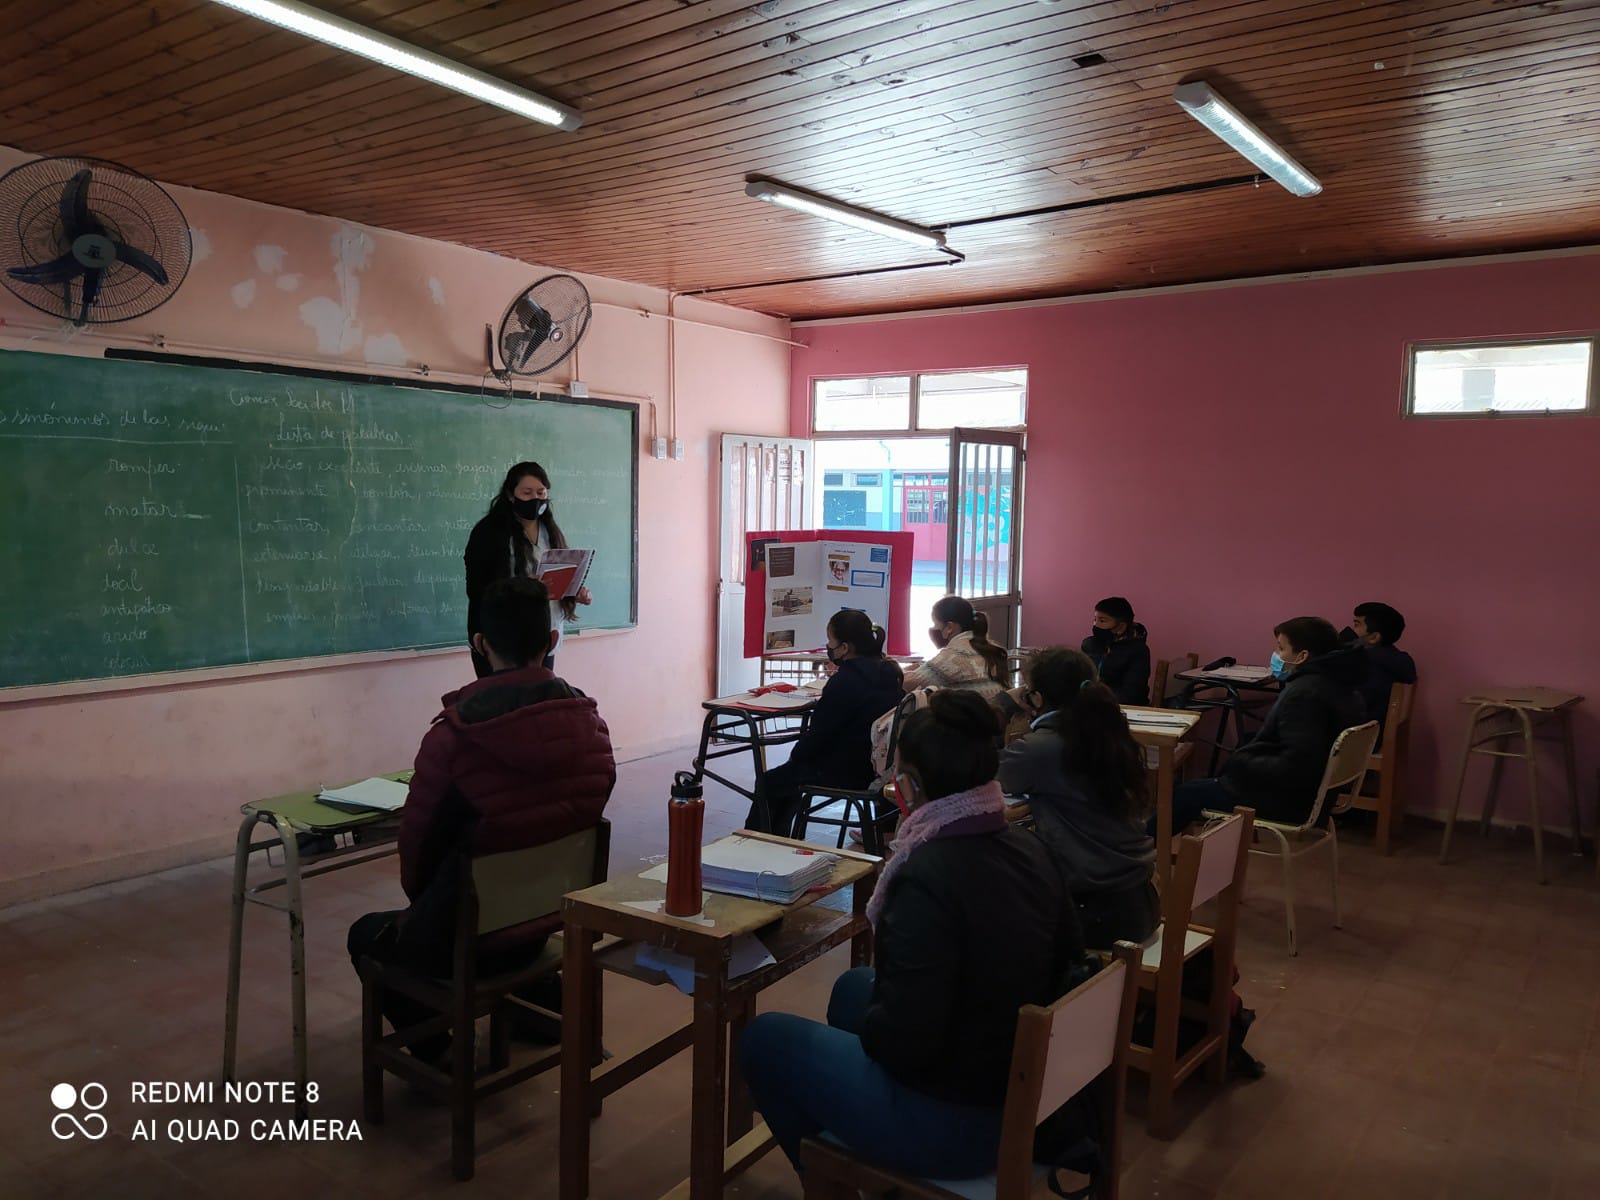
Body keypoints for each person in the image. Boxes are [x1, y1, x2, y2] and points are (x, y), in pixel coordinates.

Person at [738, 690, 1087, 1180]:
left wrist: (880, 1019)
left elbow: (907, 1043)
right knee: (852, 987)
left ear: (909, 786)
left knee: (765, 1038)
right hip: (1026, 1090)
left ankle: (834, 1178)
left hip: (955, 1123)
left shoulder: (925, 876)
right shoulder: (1029, 849)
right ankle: (853, 1139)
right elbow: (1067, 958)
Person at [347, 577, 616, 1062]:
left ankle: (440, 1053)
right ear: (552, 640)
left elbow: (416, 861)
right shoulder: (593, 728)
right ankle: (535, 1006)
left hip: (472, 937)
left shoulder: (452, 739)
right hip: (551, 919)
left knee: (366, 935)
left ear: (479, 644)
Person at [998, 647, 1158, 950]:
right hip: (1140, 899)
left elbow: (985, 771)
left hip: (1097, 913)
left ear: (1037, 698)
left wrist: (1004, 706)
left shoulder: (1040, 748)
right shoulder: (1111, 732)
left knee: (991, 921)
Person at [1167, 616, 1366, 832]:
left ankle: (1148, 847)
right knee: (1198, 786)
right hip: (1313, 795)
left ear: (1302, 656)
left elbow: (1297, 763)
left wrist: (1243, 761)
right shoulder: (1343, 684)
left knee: (1186, 794)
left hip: (1287, 801)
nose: (1276, 655)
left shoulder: (1304, 694)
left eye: (1281, 648)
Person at [750, 609, 903, 836]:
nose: (828, 646)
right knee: (789, 777)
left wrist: (796, 756)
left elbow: (819, 734)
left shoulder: (845, 681)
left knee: (771, 781)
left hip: (845, 771)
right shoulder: (890, 672)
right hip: (877, 767)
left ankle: (757, 840)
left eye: (830, 640)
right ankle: (777, 838)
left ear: (844, 647)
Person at [463, 461, 592, 678]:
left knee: (539, 695)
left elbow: (556, 579)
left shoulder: (549, 530)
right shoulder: (488, 532)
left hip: (542, 637)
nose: (535, 499)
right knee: (501, 697)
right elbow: (477, 589)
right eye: (527, 493)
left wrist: (573, 590)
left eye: (541, 493)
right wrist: (523, 587)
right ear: (510, 494)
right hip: (501, 640)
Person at [900, 594, 1008, 699]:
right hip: (992, 710)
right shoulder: (991, 649)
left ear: (949, 627)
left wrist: (901, 669)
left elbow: (907, 683)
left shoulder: (953, 656)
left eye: (935, 623)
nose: (933, 629)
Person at [1342, 601, 1416, 728]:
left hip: (1362, 733)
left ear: (1374, 637)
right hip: (1372, 729)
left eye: (1356, 625)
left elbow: (1353, 705)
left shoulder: (1368, 664)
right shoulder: (1394, 659)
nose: (1352, 630)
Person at [1080, 596, 1151, 705]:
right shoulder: (1089, 644)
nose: (1096, 625)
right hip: (1090, 705)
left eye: (1102, 621)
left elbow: (1131, 693)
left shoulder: (1138, 651)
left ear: (1121, 627)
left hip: (1124, 707)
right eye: (1095, 619)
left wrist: (1099, 702)